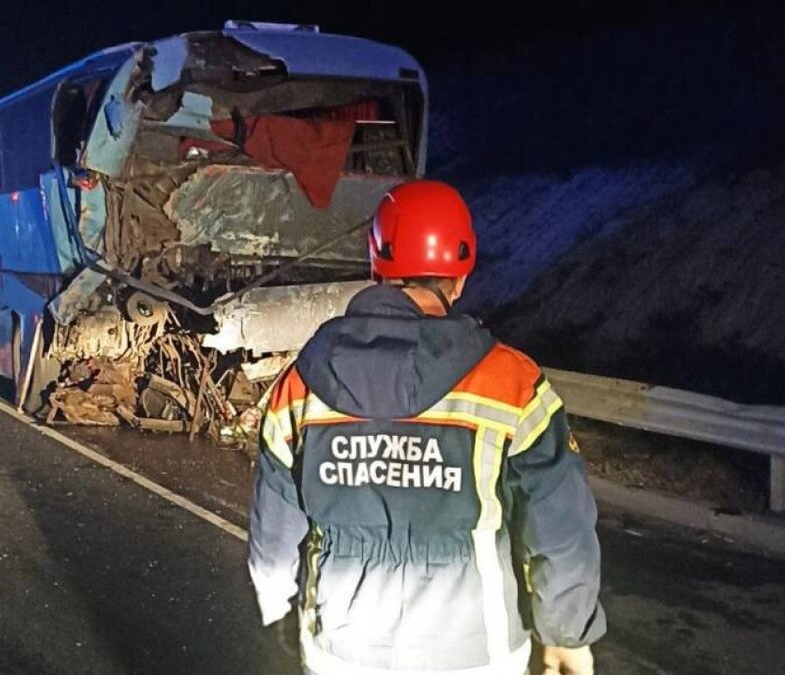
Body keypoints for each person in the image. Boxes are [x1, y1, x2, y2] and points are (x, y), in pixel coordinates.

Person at [248, 180, 605, 675]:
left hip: (343, 650)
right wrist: (567, 634)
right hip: (476, 653)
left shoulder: (302, 382)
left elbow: (274, 530)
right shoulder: (511, 382)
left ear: (376, 267)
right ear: (459, 279)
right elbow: (560, 529)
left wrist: (279, 610)